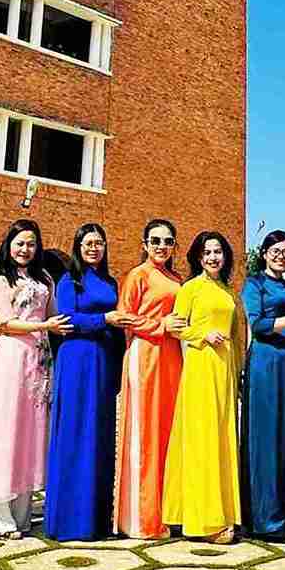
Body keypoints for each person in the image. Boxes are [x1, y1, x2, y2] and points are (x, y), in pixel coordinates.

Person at [0, 219, 68, 537]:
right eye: (19, 243)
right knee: (7, 430)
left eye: (30, 243)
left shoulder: (44, 279)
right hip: (12, 356)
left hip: (38, 361)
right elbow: (5, 324)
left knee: (31, 432)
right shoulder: (0, 280)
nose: (25, 249)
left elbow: (53, 312)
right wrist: (45, 327)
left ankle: (22, 512)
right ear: (8, 245)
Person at [45, 223, 129, 540]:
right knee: (75, 432)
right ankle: (69, 519)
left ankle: (95, 519)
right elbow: (66, 320)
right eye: (88, 243)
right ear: (78, 246)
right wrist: (103, 319)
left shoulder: (109, 281)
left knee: (100, 435)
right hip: (77, 358)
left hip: (104, 360)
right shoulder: (70, 281)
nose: (94, 248)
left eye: (99, 243)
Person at [161, 231, 246, 542]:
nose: (213, 257)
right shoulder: (191, 289)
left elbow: (236, 333)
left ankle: (219, 513)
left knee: (222, 441)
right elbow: (176, 327)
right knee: (202, 442)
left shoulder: (227, 291)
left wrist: (238, 371)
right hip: (200, 367)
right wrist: (202, 335)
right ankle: (202, 523)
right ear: (198, 257)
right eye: (207, 252)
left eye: (218, 252)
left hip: (224, 370)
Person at [239, 230, 285, 541]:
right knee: (265, 437)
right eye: (275, 250)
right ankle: (266, 519)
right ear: (264, 252)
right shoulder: (254, 284)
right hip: (265, 363)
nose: (281, 255)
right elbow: (257, 325)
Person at [113, 218, 184, 539]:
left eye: (168, 242)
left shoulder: (176, 277)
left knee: (168, 434)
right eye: (155, 241)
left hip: (173, 359)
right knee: (145, 433)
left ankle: (167, 510)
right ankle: (140, 518)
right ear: (144, 244)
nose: (161, 247)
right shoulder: (137, 275)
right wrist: (160, 326)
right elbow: (123, 317)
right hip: (145, 356)